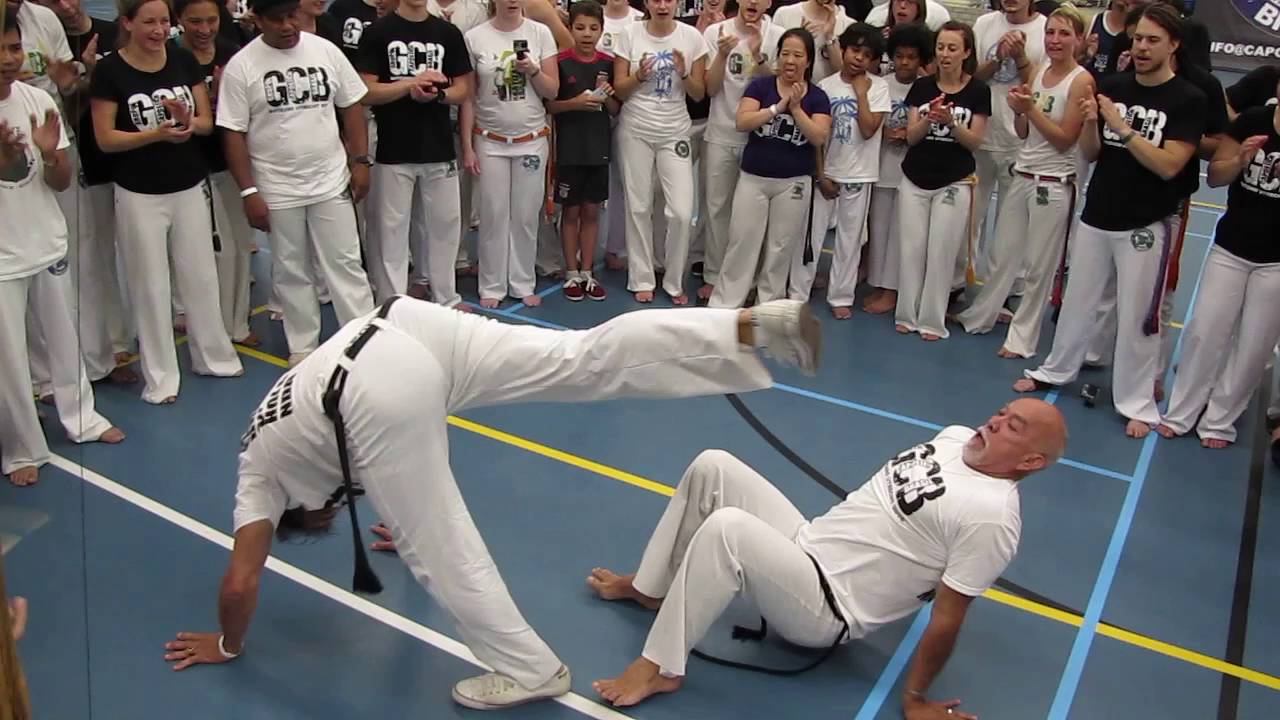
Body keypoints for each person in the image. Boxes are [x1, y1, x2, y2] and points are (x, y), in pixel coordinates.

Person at [161, 297, 823, 710]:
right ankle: (745, 327)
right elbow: (343, 444)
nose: (332, 513)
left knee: (443, 551)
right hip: (397, 321)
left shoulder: (258, 476)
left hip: (372, 389)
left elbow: (241, 578)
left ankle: (531, 670)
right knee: (579, 356)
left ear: (290, 512)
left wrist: (227, 640)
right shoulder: (282, 426)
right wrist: (397, 503)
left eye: (321, 516)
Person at [588, 398, 1067, 715]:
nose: (995, 422)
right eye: (1002, 413)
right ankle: (652, 589)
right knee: (714, 465)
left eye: (1013, 428)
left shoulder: (992, 517)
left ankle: (659, 667)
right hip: (807, 545)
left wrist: (915, 697)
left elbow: (948, 616)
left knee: (727, 530)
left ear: (1030, 462)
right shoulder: (953, 437)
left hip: (826, 608)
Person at [1013, 3, 1204, 438]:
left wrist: (1123, 125)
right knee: (1077, 301)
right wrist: (1094, 126)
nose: (1141, 47)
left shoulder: (1188, 99)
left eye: (1152, 40)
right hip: (1099, 212)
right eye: (1137, 39)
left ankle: (1136, 401)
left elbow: (1169, 165)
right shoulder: (1114, 85)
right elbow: (1093, 153)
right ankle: (1057, 369)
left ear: (1173, 45)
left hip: (1146, 223)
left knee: (1139, 314)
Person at [89, 0, 245, 404]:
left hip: (189, 186)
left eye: (163, 21)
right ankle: (160, 377)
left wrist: (186, 121)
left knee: (201, 276)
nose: (158, 30)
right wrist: (154, 134)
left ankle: (213, 356)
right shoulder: (110, 72)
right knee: (150, 285)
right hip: (139, 193)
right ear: (127, 23)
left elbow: (207, 123)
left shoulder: (182, 61)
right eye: (148, 22)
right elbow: (106, 138)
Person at [216, 0, 376, 367]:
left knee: (346, 262)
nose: (288, 26)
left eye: (293, 16)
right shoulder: (243, 66)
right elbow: (233, 132)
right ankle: (303, 346)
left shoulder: (325, 50)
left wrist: (360, 160)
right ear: (257, 19)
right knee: (291, 268)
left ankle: (363, 340)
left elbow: (351, 104)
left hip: (330, 177)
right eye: (278, 19)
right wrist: (248, 191)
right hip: (277, 185)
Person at [1, 14, 125, 488]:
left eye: (15, 48)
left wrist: (51, 155)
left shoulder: (35, 99)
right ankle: (21, 448)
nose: (10, 60)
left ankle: (81, 419)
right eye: (2, 49)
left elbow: (59, 181)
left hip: (44, 240)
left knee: (64, 338)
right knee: (9, 359)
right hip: (3, 257)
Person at [956, 5, 1092, 358]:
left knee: (1038, 267)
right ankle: (981, 315)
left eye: (1064, 34)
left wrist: (1030, 110)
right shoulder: (1040, 69)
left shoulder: (1080, 80)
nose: (1055, 40)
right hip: (1024, 170)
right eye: (1051, 33)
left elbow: (1065, 139)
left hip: (1055, 180)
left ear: (1079, 40)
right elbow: (1023, 129)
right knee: (1002, 253)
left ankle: (1023, 338)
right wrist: (1021, 111)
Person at [1156, 80, 1280, 449]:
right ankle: (1180, 412)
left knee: (1255, 346)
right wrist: (1240, 160)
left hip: (1275, 263)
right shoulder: (1252, 121)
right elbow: (1215, 175)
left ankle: (1220, 421)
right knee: (1204, 331)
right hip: (1231, 248)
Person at [356, 0, 473, 306]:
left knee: (445, 226)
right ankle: (391, 301)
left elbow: (464, 89)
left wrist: (438, 94)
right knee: (390, 231)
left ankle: (446, 296)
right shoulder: (378, 32)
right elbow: (366, 91)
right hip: (393, 149)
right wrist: (410, 85)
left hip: (439, 147)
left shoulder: (447, 33)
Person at [708, 28, 830, 309]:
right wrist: (777, 108)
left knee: (779, 249)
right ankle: (725, 305)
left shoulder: (818, 97)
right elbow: (742, 121)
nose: (790, 60)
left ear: (808, 61)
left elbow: (819, 137)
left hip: (794, 182)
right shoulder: (760, 87)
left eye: (798, 55)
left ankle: (769, 308)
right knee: (742, 242)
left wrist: (797, 109)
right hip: (754, 178)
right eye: (785, 53)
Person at [894, 21, 990, 341]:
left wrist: (951, 124)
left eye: (952, 48)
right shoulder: (922, 88)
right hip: (915, 178)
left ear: (966, 52)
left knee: (941, 251)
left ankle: (933, 320)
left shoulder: (978, 91)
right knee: (911, 248)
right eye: (940, 47)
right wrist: (928, 119)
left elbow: (975, 141)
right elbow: (911, 136)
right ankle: (907, 313)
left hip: (954, 181)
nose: (945, 54)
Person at [462, 0, 560, 308]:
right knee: (492, 214)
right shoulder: (475, 37)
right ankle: (491, 284)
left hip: (531, 138)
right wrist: (467, 146)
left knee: (525, 215)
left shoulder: (541, 32)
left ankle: (522, 281)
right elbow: (469, 97)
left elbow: (553, 90)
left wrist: (532, 70)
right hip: (490, 140)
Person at [612, 0, 707, 304]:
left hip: (675, 129)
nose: (662, 5)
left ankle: (673, 279)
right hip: (636, 128)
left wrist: (684, 73)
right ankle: (641, 277)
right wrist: (638, 75)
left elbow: (699, 93)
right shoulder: (629, 34)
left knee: (681, 211)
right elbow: (620, 91)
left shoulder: (692, 37)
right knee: (638, 206)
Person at [789, 22, 887, 317]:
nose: (859, 58)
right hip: (828, 171)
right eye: (855, 50)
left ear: (874, 61)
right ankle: (798, 292)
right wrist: (820, 174)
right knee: (812, 235)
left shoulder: (878, 87)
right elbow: (817, 139)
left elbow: (870, 130)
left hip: (859, 173)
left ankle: (841, 296)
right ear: (843, 50)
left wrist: (861, 94)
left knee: (850, 239)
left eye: (867, 55)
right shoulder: (825, 88)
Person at [546, 1, 619, 301]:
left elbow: (615, 110)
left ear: (602, 30)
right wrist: (575, 103)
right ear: (570, 28)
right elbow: (550, 105)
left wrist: (609, 97)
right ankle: (571, 272)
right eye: (580, 27)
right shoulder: (561, 62)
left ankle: (587, 272)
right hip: (570, 149)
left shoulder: (608, 63)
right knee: (571, 211)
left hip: (598, 148)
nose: (587, 34)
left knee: (591, 211)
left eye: (593, 28)